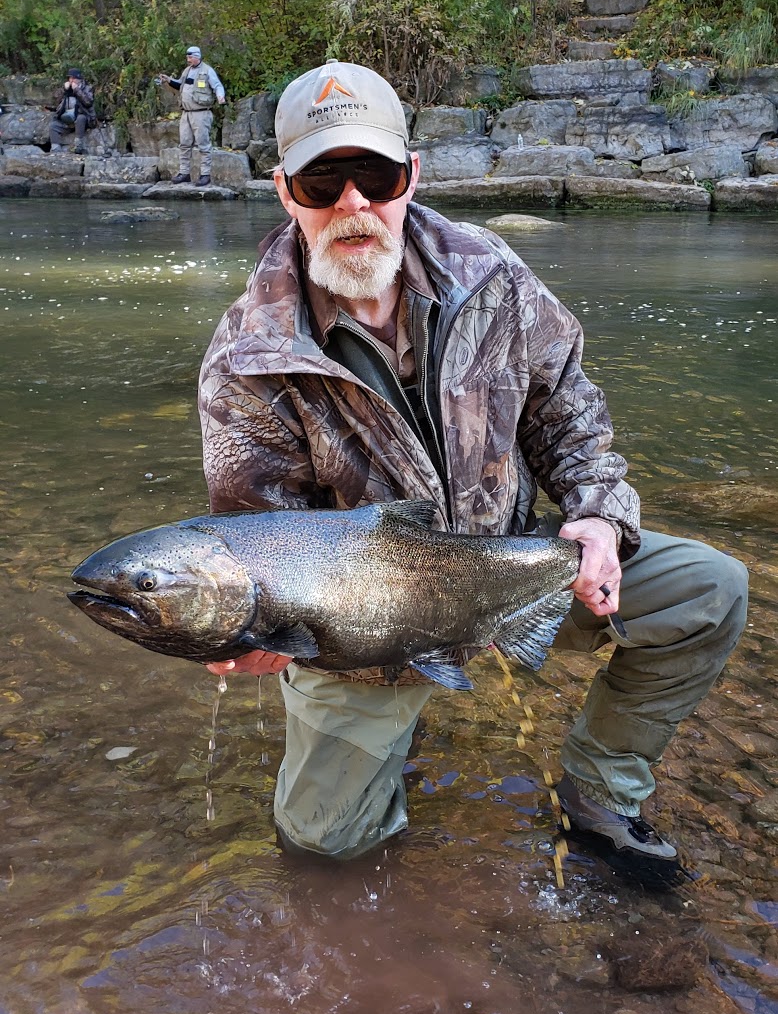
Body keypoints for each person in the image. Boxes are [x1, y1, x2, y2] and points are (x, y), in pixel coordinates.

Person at [198, 60, 748, 886]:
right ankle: (396, 736)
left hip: (517, 567)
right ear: (285, 193)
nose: (354, 205)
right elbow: (258, 540)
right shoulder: (247, 359)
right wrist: (273, 638)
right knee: (324, 856)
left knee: (711, 593)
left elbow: (569, 412)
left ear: (410, 178)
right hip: (368, 638)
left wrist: (598, 514)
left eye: (374, 176)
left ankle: (600, 794)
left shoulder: (491, 275)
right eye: (322, 181)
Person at [157, 45, 225, 187]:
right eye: (187, 57)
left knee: (203, 145)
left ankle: (205, 175)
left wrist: (220, 96)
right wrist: (168, 80)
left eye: (190, 57)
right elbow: (180, 84)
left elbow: (217, 85)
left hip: (201, 113)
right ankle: (184, 173)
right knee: (184, 144)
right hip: (186, 114)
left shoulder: (207, 71)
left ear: (197, 57)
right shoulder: (187, 71)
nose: (188, 60)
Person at [50, 69, 96, 153]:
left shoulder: (87, 88)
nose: (71, 81)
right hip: (66, 118)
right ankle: (55, 149)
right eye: (69, 78)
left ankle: (78, 145)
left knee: (80, 119)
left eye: (73, 78)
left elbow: (88, 102)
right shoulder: (65, 88)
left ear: (79, 79)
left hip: (82, 118)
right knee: (53, 125)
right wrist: (64, 89)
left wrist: (77, 90)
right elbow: (55, 101)